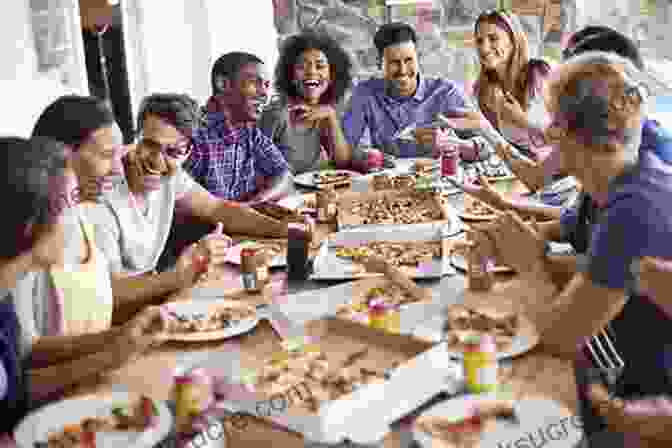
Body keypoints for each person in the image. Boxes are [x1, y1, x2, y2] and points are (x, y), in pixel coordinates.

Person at [470, 52, 672, 447]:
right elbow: (595, 272)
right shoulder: (625, 175)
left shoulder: (634, 207)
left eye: (551, 122)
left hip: (642, 401)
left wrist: (531, 264)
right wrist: (529, 251)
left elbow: (559, 336)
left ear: (562, 133)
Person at [85, 93, 289, 317]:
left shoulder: (172, 176)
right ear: (135, 138)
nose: (156, 160)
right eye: (150, 145)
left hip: (158, 300)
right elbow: (110, 293)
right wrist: (180, 274)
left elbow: (217, 208)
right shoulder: (102, 195)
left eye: (173, 152)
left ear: (187, 152)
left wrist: (285, 229)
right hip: (120, 320)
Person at [1, 134, 162, 412]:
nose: (77, 217)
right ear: (31, 225)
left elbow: (16, 394)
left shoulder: (5, 303)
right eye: (70, 204)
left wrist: (115, 347)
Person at [342, 22, 473, 159]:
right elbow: (346, 150)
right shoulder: (365, 93)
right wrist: (366, 156)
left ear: (418, 58)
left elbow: (485, 147)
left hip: (440, 177)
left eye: (409, 60)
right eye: (394, 62)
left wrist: (453, 144)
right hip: (386, 177)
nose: (403, 70)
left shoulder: (446, 93)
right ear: (379, 63)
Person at [185, 52, 292, 202]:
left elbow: (284, 175)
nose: (264, 93)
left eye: (266, 85)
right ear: (223, 84)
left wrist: (255, 203)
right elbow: (175, 203)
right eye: (255, 82)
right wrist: (240, 214)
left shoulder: (249, 132)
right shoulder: (193, 136)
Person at [260, 31, 353, 173]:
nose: (311, 72)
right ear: (290, 76)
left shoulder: (324, 113)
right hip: (283, 193)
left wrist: (331, 116)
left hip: (315, 190)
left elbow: (342, 162)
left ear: (332, 75)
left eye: (320, 66)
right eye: (302, 67)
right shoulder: (276, 114)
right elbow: (255, 168)